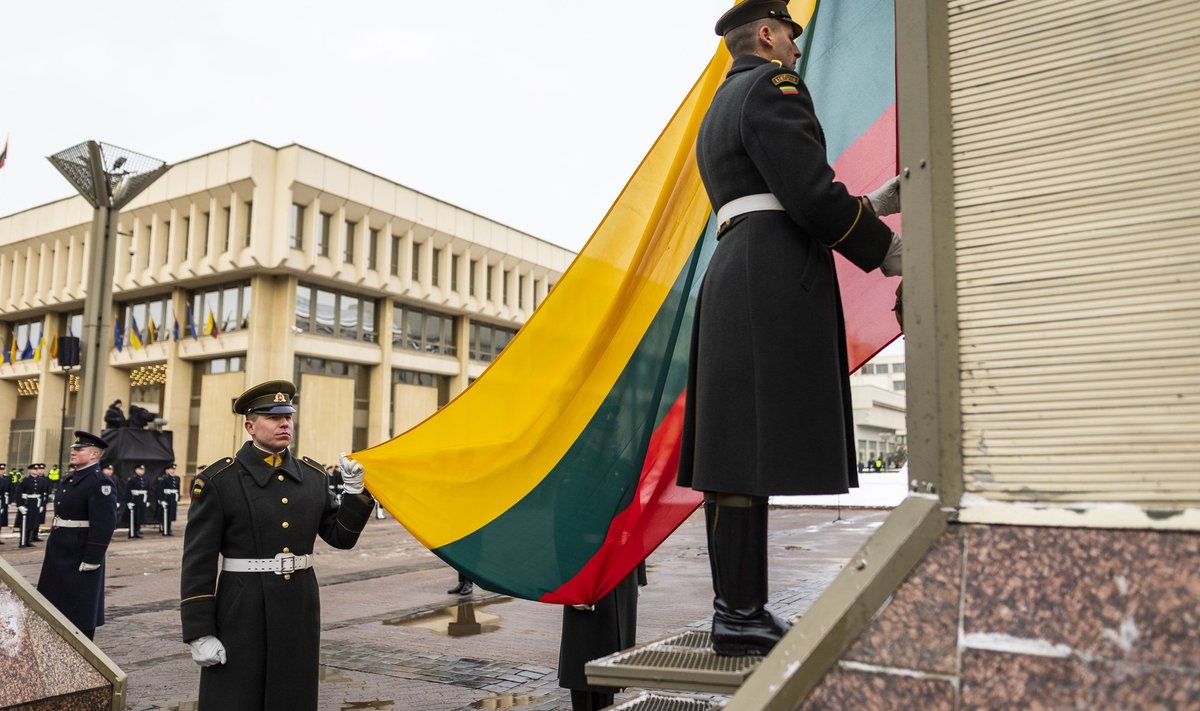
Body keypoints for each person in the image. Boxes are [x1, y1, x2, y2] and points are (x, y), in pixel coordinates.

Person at [677, 1, 902, 657]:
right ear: (769, 36)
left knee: (735, 455)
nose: (798, 54)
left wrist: (867, 205)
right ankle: (738, 613)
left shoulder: (722, 105)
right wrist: (886, 249)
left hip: (736, 268)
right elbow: (805, 193)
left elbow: (776, 185)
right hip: (770, 273)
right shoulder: (773, 86)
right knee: (743, 452)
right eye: (792, 42)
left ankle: (738, 611)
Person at [180, 379, 376, 711]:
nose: (284, 423)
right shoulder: (219, 481)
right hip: (241, 608)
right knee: (236, 697)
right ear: (250, 426)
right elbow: (198, 561)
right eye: (272, 417)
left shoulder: (312, 477)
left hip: (298, 607)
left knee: (292, 695)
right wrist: (199, 631)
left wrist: (356, 494)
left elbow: (341, 538)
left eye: (288, 416)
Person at [35, 431, 118, 640]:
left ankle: (82, 649)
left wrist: (93, 558)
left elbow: (104, 523)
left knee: (80, 608)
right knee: (54, 600)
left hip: (80, 550)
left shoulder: (100, 482)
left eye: (79, 449)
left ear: (94, 455)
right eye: (74, 448)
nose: (74, 452)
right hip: (60, 547)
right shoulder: (71, 478)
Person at [557, 563, 647, 711]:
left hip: (623, 572)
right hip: (586, 572)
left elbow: (637, 539)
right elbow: (563, 542)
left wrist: (639, 574)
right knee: (582, 665)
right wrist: (573, 586)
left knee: (609, 663)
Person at [16, 465, 40, 548]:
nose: (37, 470)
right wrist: (19, 505)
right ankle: (22, 541)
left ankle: (27, 541)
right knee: (25, 523)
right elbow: (18, 493)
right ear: (29, 470)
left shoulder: (39, 480)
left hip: (35, 503)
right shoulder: (25, 480)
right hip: (27, 503)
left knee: (32, 523)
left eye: (37, 469)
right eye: (34, 469)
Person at [156, 462, 181, 536]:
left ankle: (169, 529)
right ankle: (165, 529)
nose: (172, 471)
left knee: (171, 514)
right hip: (167, 497)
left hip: (173, 497)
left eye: (174, 469)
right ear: (167, 470)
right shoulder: (164, 478)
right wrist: (162, 500)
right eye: (171, 469)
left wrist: (178, 497)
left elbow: (178, 488)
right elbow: (160, 489)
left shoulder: (177, 478)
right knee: (165, 514)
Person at [126, 464, 149, 538]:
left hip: (142, 499)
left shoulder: (146, 478)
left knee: (140, 516)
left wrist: (147, 500)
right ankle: (132, 532)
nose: (141, 471)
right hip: (135, 499)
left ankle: (137, 531)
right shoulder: (132, 479)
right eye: (140, 469)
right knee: (134, 516)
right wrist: (129, 501)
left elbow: (148, 490)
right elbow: (128, 491)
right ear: (136, 470)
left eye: (143, 470)